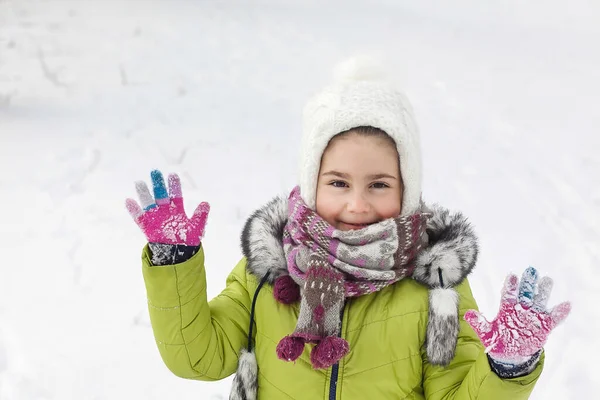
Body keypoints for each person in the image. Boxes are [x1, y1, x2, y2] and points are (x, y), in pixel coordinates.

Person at [125, 57, 571, 399]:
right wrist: (175, 261)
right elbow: (199, 357)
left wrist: (508, 368)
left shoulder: (435, 288)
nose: (357, 204)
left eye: (379, 184)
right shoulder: (269, 267)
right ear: (311, 182)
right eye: (338, 183)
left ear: (407, 190)